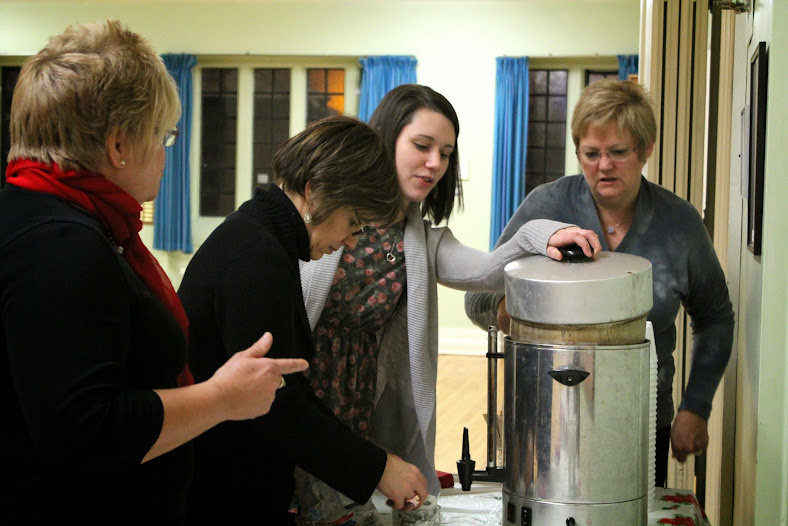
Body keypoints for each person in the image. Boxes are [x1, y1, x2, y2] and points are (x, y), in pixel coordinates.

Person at [0, 20, 309, 525]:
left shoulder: (52, 219)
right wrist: (221, 398)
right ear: (119, 146)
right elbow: (85, 432)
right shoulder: (59, 243)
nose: (168, 154)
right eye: (163, 136)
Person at [297, 84, 601, 523]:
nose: (435, 163)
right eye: (422, 146)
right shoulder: (325, 213)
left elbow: (489, 271)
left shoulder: (421, 242)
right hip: (299, 392)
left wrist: (543, 234)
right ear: (386, 139)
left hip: (358, 401)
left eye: (445, 152)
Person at [465, 78, 735, 487]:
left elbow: (715, 317)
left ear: (646, 149)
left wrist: (695, 406)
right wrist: (510, 310)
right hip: (546, 418)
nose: (603, 166)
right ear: (577, 151)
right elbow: (476, 297)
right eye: (590, 154)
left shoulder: (679, 224)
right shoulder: (546, 206)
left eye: (618, 153)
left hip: (642, 420)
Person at [178, 115, 429, 524]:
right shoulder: (258, 257)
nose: (350, 241)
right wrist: (378, 468)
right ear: (316, 192)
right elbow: (275, 405)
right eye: (352, 223)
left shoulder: (260, 236)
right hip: (220, 491)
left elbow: (282, 387)